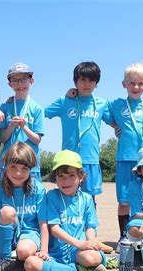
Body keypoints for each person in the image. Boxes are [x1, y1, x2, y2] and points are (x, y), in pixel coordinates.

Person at [24, 150, 108, 271]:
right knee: (31, 264)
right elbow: (54, 229)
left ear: (81, 177)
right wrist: (79, 244)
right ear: (55, 178)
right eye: (61, 176)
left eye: (71, 175)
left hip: (78, 251)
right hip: (57, 252)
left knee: (93, 257)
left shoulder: (86, 198)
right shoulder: (52, 196)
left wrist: (90, 242)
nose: (65, 181)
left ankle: (73, 268)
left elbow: (90, 227)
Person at [105, 63, 143, 249]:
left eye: (140, 84)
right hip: (125, 158)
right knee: (124, 200)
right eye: (131, 83)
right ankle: (124, 236)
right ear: (124, 84)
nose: (135, 87)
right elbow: (99, 108)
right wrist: (115, 127)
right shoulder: (116, 104)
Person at [45, 61, 110, 203]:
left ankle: (90, 226)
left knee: (89, 200)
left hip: (90, 159)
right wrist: (16, 100)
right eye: (83, 80)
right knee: (67, 197)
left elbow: (115, 121)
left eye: (91, 80)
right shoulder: (65, 101)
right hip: (69, 160)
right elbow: (41, 113)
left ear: (96, 83)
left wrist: (118, 129)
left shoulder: (101, 104)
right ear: (75, 81)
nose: (87, 84)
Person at [0, 142, 48, 271]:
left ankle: (22, 257)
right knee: (7, 211)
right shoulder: (0, 191)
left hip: (30, 234)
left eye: (24, 168)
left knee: (24, 251)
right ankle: (3, 259)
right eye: (13, 167)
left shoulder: (38, 189)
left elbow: (43, 223)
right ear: (5, 166)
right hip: (9, 234)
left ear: (31, 169)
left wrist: (44, 250)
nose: (18, 173)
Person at [0, 62, 45, 181]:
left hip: (30, 164)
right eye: (15, 80)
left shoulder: (37, 108)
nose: (19, 84)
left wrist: (24, 127)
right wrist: (11, 127)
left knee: (32, 198)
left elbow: (37, 139)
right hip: (8, 163)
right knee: (7, 198)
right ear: (10, 84)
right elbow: (2, 139)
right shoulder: (5, 107)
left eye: (24, 79)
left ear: (31, 81)